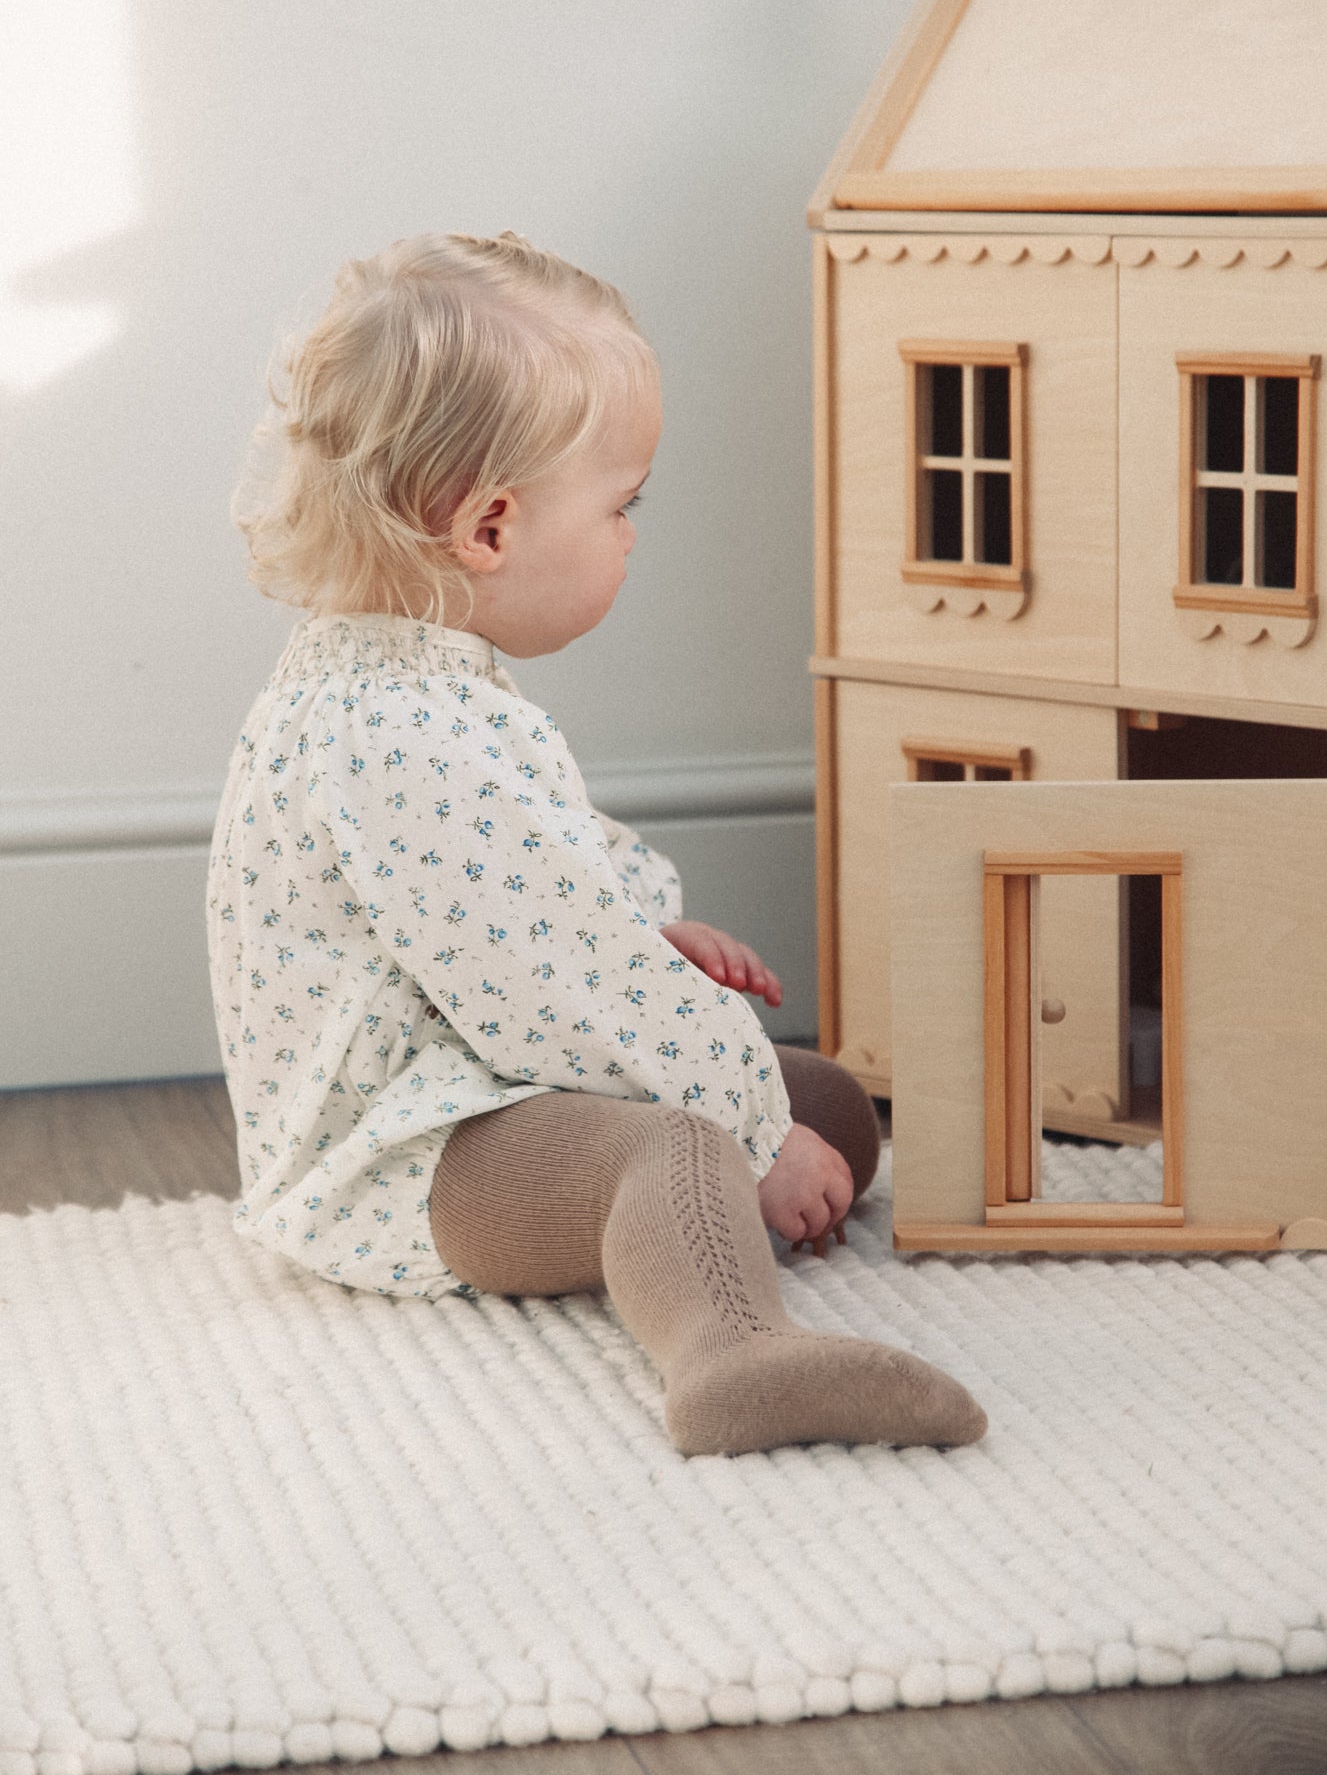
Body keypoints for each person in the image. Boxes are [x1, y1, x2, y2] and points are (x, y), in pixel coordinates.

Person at [207, 232, 986, 1457]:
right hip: (404, 1157)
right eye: (622, 504)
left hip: (483, 1076)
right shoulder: (400, 735)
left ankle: (701, 1205)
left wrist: (648, 937)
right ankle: (730, 1353)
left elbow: (528, 890)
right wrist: (743, 1126)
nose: (631, 532)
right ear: (488, 526)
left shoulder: (409, 685)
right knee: (680, 1140)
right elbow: (561, 993)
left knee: (819, 1092)